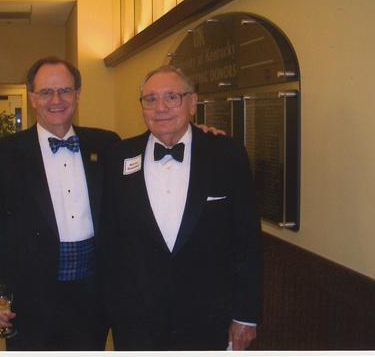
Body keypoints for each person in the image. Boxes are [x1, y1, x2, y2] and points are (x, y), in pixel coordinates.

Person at [99, 65, 263, 351]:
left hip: (208, 320)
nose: (160, 107)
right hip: (137, 325)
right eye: (150, 99)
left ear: (192, 103)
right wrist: (114, 311)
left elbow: (247, 241)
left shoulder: (227, 155)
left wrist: (246, 316)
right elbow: (109, 242)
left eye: (171, 97)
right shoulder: (117, 157)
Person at [0, 56, 120, 350]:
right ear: (32, 98)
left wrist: (202, 138)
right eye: (45, 92)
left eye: (65, 91)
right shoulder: (1, 155)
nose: (56, 100)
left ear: (78, 95)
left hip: (92, 297)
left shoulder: (107, 145)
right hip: (30, 298)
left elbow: (149, 155)